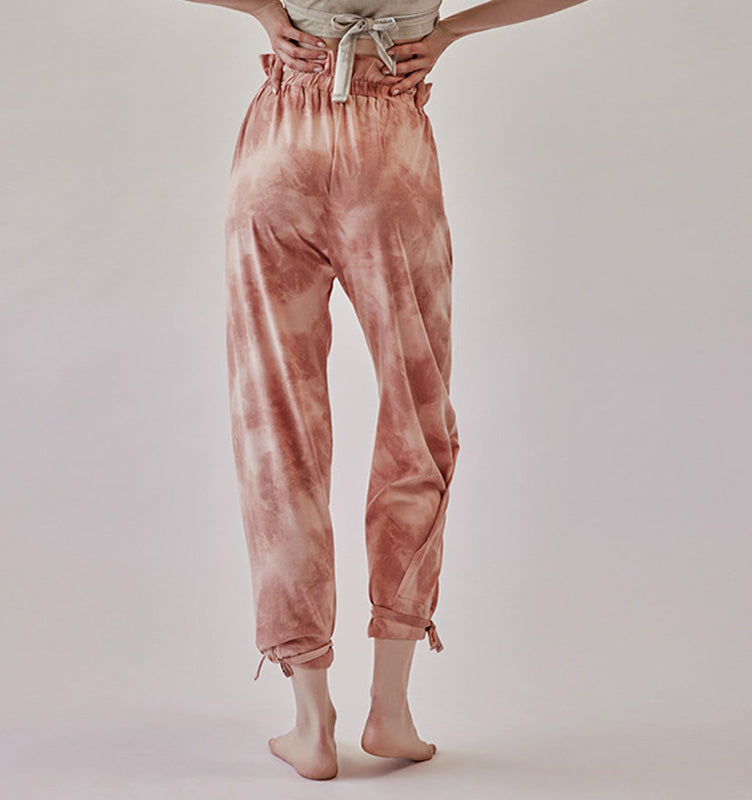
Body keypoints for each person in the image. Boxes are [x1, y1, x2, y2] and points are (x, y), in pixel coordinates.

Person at [184, 0, 590, 781]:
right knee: (416, 416)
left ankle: (311, 723)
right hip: (389, 149)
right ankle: (391, 709)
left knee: (278, 430)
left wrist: (266, 9)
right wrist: (448, 31)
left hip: (279, 148)